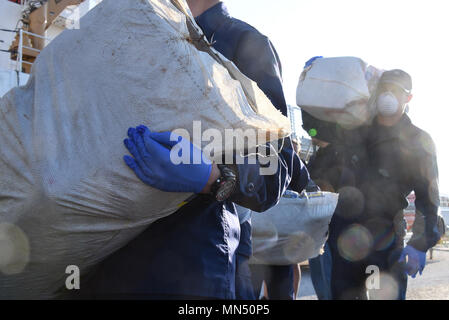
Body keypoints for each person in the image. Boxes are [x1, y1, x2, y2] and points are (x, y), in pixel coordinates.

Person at [65, 0, 309, 300]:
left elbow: (275, 168)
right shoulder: (123, 29)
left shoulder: (245, 43)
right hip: (100, 258)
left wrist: (213, 176)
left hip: (185, 267)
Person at [326, 69, 441, 300]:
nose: (387, 95)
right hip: (346, 234)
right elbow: (324, 165)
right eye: (384, 89)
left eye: (395, 91)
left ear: (408, 98)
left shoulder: (418, 140)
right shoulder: (355, 132)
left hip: (386, 236)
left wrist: (421, 242)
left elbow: (429, 199)